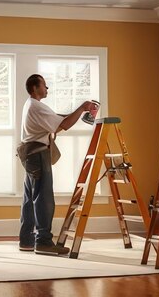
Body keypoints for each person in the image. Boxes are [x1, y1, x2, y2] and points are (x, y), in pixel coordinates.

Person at [18, 74, 96, 255]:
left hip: (30, 155)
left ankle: (27, 240)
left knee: (30, 199)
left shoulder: (31, 105)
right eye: (44, 85)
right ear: (35, 87)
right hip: (38, 155)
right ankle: (44, 242)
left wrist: (79, 112)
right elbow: (64, 124)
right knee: (44, 199)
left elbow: (58, 119)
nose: (47, 88)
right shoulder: (36, 106)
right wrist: (83, 107)